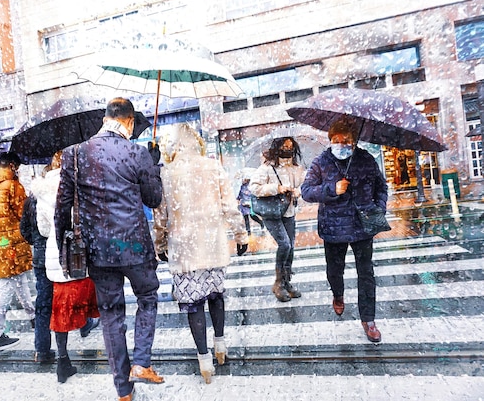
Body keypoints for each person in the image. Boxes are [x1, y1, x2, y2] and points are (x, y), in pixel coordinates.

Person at [55, 98, 163, 401]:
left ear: (105, 119)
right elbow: (153, 199)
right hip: (135, 246)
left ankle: (123, 389)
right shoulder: (137, 152)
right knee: (147, 297)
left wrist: (65, 248)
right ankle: (141, 362)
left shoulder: (74, 154)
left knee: (112, 315)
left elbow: (61, 207)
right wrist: (153, 166)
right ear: (129, 122)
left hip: (98, 250)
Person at [153, 124, 248, 384]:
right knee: (216, 296)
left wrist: (159, 244)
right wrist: (241, 234)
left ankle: (204, 361)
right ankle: (220, 346)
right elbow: (229, 206)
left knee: (194, 304)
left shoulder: (166, 174)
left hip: (184, 248)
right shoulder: (212, 166)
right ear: (197, 142)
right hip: (212, 242)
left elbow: (161, 217)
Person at [300, 119, 388, 343]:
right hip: (333, 227)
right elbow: (307, 191)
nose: (340, 144)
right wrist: (332, 188)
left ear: (353, 141)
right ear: (330, 141)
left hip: (362, 226)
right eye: (335, 140)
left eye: (345, 140)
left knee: (366, 274)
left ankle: (368, 319)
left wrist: (379, 208)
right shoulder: (321, 162)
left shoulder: (366, 159)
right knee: (334, 271)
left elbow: (381, 186)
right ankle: (337, 294)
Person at [30, 151, 99, 383]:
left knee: (60, 313)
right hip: (82, 255)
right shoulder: (80, 183)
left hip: (58, 257)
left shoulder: (43, 190)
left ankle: (63, 361)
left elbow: (43, 229)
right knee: (96, 303)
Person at [0, 152, 35, 353]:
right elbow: (24, 214)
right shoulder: (12, 185)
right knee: (9, 282)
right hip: (12, 241)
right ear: (12, 165)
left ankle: (33, 315)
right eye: (17, 166)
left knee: (19, 278)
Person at [249, 137, 305, 302]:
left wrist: (297, 191)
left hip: (289, 211)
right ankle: (278, 283)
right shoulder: (267, 167)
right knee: (285, 244)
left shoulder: (296, 168)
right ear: (277, 147)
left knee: (291, 247)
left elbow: (304, 184)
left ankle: (287, 282)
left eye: (290, 146)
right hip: (271, 212)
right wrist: (277, 188)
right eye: (284, 145)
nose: (287, 148)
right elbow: (254, 187)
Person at [20, 188, 54, 364]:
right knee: (70, 296)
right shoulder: (58, 194)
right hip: (60, 255)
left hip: (41, 259)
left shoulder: (30, 201)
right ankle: (85, 324)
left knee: (43, 304)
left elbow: (23, 230)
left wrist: (36, 241)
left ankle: (42, 349)